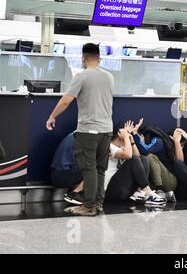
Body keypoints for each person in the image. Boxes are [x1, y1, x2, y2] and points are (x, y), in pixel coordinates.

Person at [46, 43, 114, 216]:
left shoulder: (81, 76)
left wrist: (52, 116)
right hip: (106, 130)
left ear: (83, 58)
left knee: (88, 168)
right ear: (100, 58)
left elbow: (66, 101)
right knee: (100, 169)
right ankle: (98, 203)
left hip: (88, 130)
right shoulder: (109, 77)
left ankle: (88, 206)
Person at [105, 123, 165, 206]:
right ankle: (147, 191)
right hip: (110, 191)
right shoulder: (108, 146)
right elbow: (129, 156)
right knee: (133, 159)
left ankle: (142, 192)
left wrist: (132, 141)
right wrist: (126, 136)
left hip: (123, 189)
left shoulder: (123, 148)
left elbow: (138, 156)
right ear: (120, 136)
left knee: (143, 159)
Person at [130, 119, 177, 202]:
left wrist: (135, 134)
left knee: (150, 157)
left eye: (140, 136)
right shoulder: (139, 145)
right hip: (154, 182)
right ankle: (166, 195)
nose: (139, 140)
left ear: (144, 136)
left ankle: (160, 190)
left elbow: (146, 150)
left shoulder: (157, 141)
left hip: (169, 180)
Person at [50, 132, 84, 205]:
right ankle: (74, 194)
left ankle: (76, 191)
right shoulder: (85, 137)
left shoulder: (74, 135)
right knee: (100, 166)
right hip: (64, 176)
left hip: (56, 175)